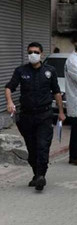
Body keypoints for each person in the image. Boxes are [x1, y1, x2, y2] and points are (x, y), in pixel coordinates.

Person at [5, 42, 65, 191]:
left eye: (36, 52)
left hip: (44, 115)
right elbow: (9, 87)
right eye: (30, 52)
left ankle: (41, 176)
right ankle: (36, 174)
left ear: (41, 54)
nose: (33, 54)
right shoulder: (21, 71)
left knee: (43, 146)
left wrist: (61, 112)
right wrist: (9, 101)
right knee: (32, 149)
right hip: (26, 116)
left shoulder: (49, 71)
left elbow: (56, 92)